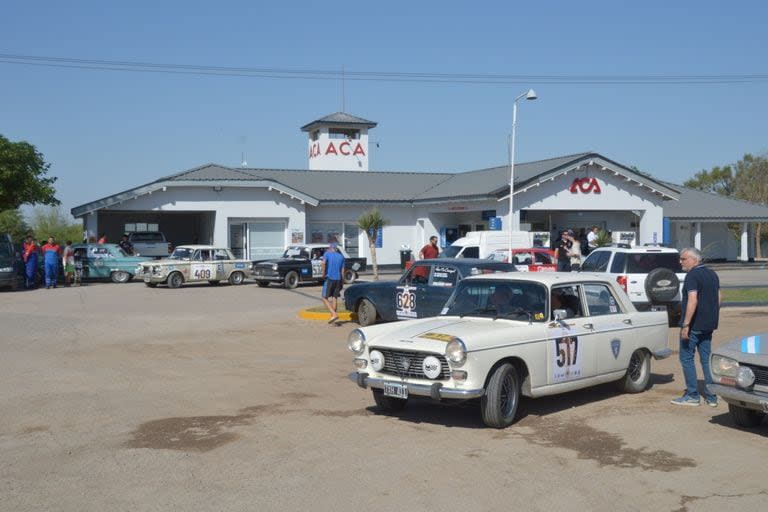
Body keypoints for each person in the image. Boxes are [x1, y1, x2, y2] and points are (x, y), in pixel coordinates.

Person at [671, 247, 722, 407]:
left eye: (683, 259)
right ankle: (712, 397)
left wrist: (686, 324)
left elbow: (692, 300)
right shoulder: (712, 274)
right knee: (706, 359)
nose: (680, 262)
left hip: (694, 325)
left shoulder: (692, 275)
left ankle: (692, 395)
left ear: (694, 259)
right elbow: (719, 297)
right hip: (708, 324)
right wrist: (712, 314)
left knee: (686, 358)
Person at [321, 241, 345, 324]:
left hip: (330, 278)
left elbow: (323, 263)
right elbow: (342, 271)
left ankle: (334, 314)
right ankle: (333, 319)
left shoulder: (327, 254)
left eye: (329, 248)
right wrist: (342, 281)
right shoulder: (341, 257)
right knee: (335, 298)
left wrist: (323, 274)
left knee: (324, 297)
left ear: (331, 248)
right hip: (338, 279)